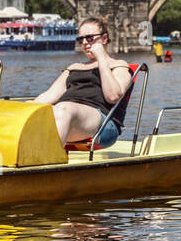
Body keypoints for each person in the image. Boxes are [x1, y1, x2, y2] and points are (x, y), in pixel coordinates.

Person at [34, 16, 133, 149]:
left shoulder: (118, 65)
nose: (85, 43)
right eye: (81, 39)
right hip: (65, 114)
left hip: (103, 124)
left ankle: (49, 162)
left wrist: (101, 59)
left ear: (104, 39)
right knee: (44, 111)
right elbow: (47, 97)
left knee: (64, 108)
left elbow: (113, 97)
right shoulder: (74, 67)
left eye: (90, 38)